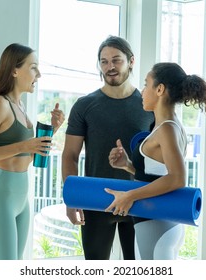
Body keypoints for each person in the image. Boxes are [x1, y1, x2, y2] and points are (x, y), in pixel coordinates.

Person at [0, 43, 65, 260]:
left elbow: (25, 158)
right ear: (14, 70)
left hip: (21, 198)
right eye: (33, 67)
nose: (38, 74)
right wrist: (23, 145)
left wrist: (53, 129)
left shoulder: (20, 106)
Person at [106, 62, 206, 260]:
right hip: (158, 223)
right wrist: (128, 165)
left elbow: (177, 178)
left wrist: (129, 195)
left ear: (160, 89)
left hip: (156, 224)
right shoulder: (166, 126)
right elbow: (157, 173)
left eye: (146, 84)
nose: (142, 90)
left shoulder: (167, 129)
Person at [62, 36, 154, 260]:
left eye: (116, 60)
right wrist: (71, 197)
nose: (110, 67)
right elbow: (70, 155)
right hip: (96, 200)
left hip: (140, 199)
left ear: (131, 61)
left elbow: (159, 156)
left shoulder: (148, 104)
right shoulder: (85, 105)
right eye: (104, 61)